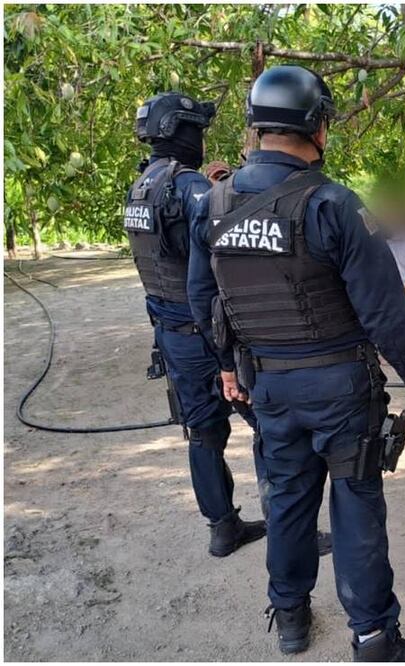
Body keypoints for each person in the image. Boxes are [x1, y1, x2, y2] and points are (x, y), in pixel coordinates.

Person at [187, 65, 405, 662]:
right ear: (318, 127)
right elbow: (384, 311)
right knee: (355, 506)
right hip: (340, 388)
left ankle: (292, 617)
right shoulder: (333, 204)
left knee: (288, 500)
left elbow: (203, 298)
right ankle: (375, 637)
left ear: (256, 128)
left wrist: (227, 365)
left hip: (267, 385)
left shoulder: (215, 203)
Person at [123, 92, 266, 557]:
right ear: (182, 132)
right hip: (209, 335)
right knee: (269, 423)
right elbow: (230, 249)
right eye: (197, 131)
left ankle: (222, 527)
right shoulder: (188, 189)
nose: (201, 140)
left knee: (203, 433)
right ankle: (292, 533)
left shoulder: (142, 187)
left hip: (170, 333)